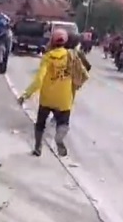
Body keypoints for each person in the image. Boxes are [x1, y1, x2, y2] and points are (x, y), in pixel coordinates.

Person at [16, 29, 89, 157]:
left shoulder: (47, 57)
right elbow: (85, 74)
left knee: (40, 124)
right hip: (64, 98)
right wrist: (76, 85)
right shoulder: (71, 56)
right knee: (63, 123)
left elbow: (39, 80)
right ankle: (59, 137)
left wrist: (25, 95)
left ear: (52, 41)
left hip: (47, 98)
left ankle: (38, 148)